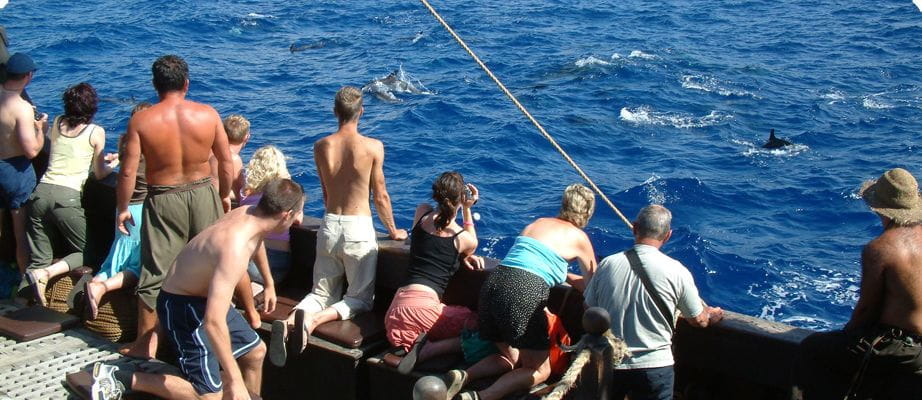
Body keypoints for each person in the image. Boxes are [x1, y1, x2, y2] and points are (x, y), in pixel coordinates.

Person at [89, 178, 305, 400]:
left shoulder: (250, 213)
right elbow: (213, 322)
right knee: (208, 395)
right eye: (299, 212)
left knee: (255, 353)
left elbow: (257, 241)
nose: (300, 219)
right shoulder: (234, 249)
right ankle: (120, 377)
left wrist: (268, 282)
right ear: (285, 214)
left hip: (202, 300)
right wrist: (234, 380)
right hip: (181, 306)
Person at [272, 86, 408, 359]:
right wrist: (393, 230)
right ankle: (312, 322)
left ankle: (288, 323)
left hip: (329, 224)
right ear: (361, 112)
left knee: (320, 294)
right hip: (358, 228)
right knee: (359, 299)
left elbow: (325, 191)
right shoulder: (373, 147)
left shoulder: (321, 146)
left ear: (336, 112)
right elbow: (380, 195)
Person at [115, 54, 235, 359]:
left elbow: (128, 171)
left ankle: (147, 346)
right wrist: (223, 194)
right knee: (214, 267)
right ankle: (219, 343)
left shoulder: (142, 120)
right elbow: (224, 161)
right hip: (203, 192)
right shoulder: (208, 114)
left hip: (164, 198)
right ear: (186, 83)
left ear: (155, 86)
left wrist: (123, 208)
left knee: (155, 274)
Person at [443, 183, 598, 400]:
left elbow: (529, 262)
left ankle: (463, 375)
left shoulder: (538, 223)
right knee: (540, 370)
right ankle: (480, 397)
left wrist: (563, 276)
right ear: (588, 212)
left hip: (492, 285)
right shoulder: (580, 238)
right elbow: (594, 286)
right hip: (524, 291)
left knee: (511, 357)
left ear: (563, 204)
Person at [797, 168, 922, 399]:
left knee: (811, 349)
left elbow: (866, 310)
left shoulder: (880, 249)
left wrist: (846, 337)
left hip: (897, 348)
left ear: (880, 209)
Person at [584, 204, 723, 400]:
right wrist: (711, 315)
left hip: (611, 363)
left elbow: (589, 308)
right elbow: (698, 320)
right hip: (655, 367)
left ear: (634, 228)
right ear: (668, 236)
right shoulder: (678, 271)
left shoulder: (608, 264)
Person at [21, 82, 116, 306]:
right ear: (92, 108)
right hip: (67, 199)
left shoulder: (57, 122)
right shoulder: (96, 132)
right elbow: (100, 173)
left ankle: (24, 300)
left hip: (40, 194)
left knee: (38, 257)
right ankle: (47, 274)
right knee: (87, 251)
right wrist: (114, 163)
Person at [78, 102, 152, 320]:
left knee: (115, 260)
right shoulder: (150, 146)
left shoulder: (124, 142)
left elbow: (127, 169)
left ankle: (96, 283)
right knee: (137, 266)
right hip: (141, 210)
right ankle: (102, 288)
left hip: (122, 207)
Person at [0, 53, 45, 274]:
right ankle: (23, 285)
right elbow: (32, 151)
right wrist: (40, 130)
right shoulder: (21, 107)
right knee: (21, 235)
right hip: (15, 172)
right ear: (27, 76)